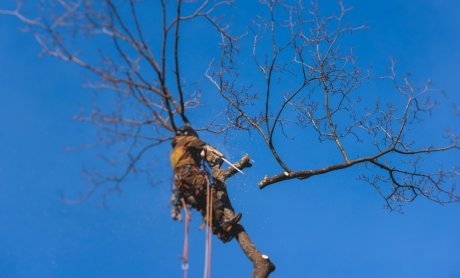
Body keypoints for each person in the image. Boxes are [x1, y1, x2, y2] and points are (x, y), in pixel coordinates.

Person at [170, 125, 242, 242]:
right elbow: (200, 145)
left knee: (204, 205)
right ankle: (223, 222)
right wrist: (212, 151)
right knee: (209, 193)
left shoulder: (175, 150)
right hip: (189, 173)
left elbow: (189, 157)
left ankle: (220, 232)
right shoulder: (186, 139)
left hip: (182, 184)